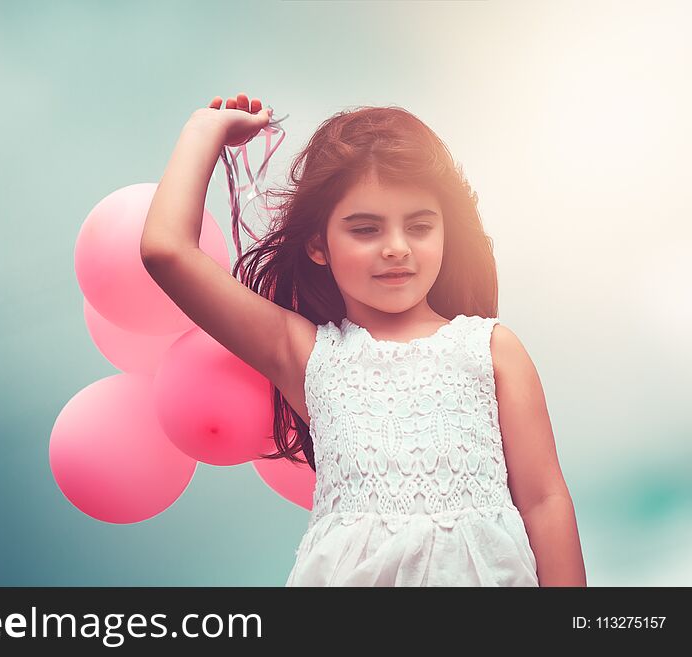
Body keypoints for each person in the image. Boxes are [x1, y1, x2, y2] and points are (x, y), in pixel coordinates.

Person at [140, 92, 586, 587]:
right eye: (366, 229)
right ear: (318, 245)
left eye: (419, 225)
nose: (396, 248)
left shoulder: (490, 349)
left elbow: (545, 502)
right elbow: (165, 250)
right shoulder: (307, 354)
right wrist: (207, 129)